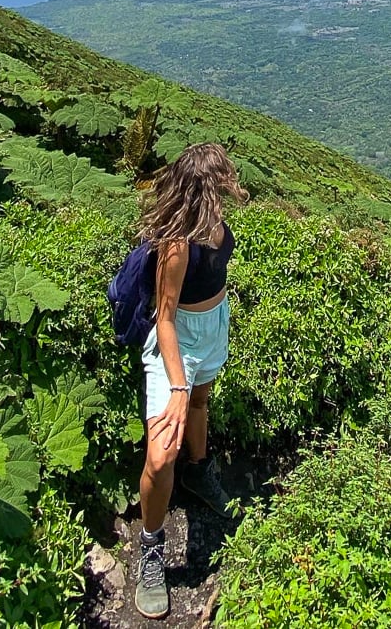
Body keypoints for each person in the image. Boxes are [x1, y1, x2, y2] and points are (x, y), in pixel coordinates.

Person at [134, 142, 248, 620]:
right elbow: (163, 317)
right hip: (177, 340)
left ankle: (199, 472)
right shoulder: (177, 244)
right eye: (222, 178)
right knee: (161, 456)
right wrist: (176, 387)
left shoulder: (215, 221)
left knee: (201, 404)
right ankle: (150, 548)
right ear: (204, 186)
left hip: (213, 325)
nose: (231, 184)